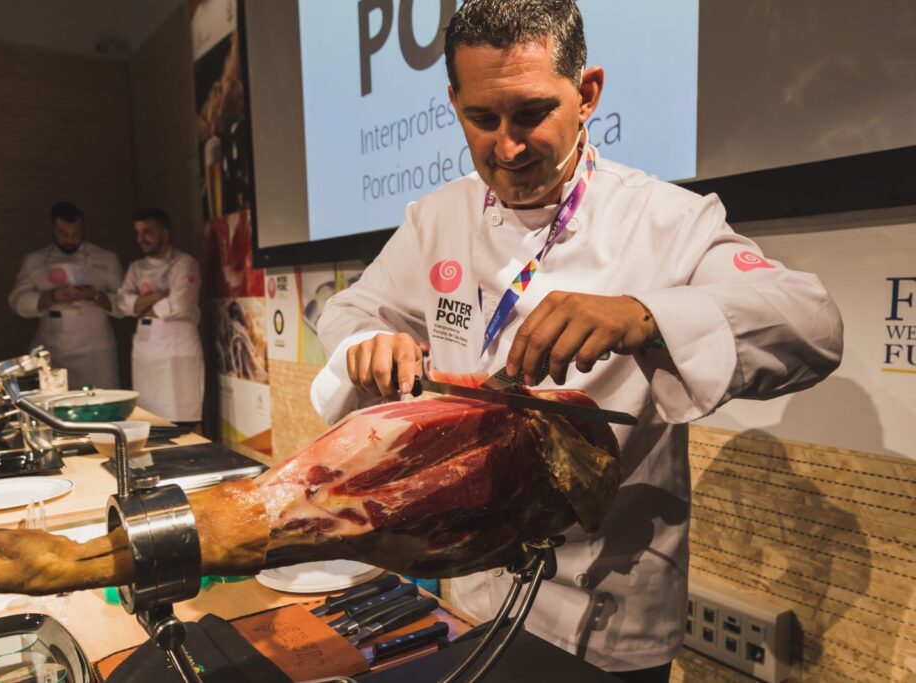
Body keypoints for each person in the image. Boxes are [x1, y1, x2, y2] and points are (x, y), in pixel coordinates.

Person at [310, 1, 844, 680]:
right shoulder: (436, 217)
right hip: (471, 592)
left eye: (532, 113)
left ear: (587, 94)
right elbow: (352, 308)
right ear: (453, 105)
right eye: (482, 119)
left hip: (606, 616)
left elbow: (813, 322)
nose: (507, 147)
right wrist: (370, 340)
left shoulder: (667, 220)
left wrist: (644, 315)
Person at [8, 201, 122, 389]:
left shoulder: (106, 259)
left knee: (100, 399)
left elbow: (124, 304)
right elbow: (17, 301)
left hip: (96, 353)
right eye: (64, 234)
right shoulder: (35, 261)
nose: (70, 239)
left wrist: (95, 296)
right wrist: (51, 297)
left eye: (76, 234)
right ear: (53, 229)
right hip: (53, 349)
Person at [116, 208, 204, 426]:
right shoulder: (136, 268)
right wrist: (158, 295)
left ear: (165, 233)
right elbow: (123, 304)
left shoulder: (184, 263)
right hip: (146, 351)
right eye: (138, 233)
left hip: (177, 350)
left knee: (182, 419)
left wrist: (140, 304)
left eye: (147, 232)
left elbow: (180, 305)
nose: (141, 239)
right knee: (150, 418)